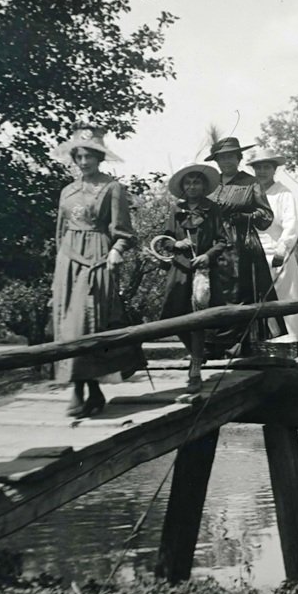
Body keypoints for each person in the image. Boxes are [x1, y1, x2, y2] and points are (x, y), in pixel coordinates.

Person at [51, 123, 145, 417]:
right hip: (68, 261)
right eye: (78, 156)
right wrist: (61, 261)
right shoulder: (67, 191)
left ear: (99, 157)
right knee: (67, 326)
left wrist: (116, 251)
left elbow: (123, 230)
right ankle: (88, 390)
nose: (83, 161)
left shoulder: (112, 188)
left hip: (97, 259)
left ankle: (83, 389)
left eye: (89, 156)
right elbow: (60, 230)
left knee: (89, 323)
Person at [205, 137, 285, 357]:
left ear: (239, 158)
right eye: (222, 157)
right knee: (213, 293)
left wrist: (244, 217)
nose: (226, 161)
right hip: (213, 245)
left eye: (231, 156)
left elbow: (266, 216)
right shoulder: (211, 184)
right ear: (216, 161)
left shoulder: (251, 183)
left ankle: (237, 344)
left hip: (240, 244)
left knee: (238, 292)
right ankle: (212, 344)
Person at [157, 164, 229, 392]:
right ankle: (197, 353)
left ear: (204, 186)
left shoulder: (213, 210)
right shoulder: (176, 210)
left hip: (203, 272)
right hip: (179, 270)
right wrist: (176, 244)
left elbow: (222, 240)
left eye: (196, 182)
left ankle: (195, 368)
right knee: (172, 316)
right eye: (188, 183)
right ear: (182, 187)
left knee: (198, 318)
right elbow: (164, 239)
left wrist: (208, 256)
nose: (192, 186)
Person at [247, 149, 298, 346]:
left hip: (277, 250)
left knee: (284, 295)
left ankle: (293, 342)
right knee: (259, 299)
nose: (262, 171)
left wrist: (283, 250)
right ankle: (264, 343)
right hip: (254, 251)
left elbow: (291, 225)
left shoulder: (283, 193)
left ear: (274, 169)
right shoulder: (250, 191)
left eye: (267, 167)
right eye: (258, 167)